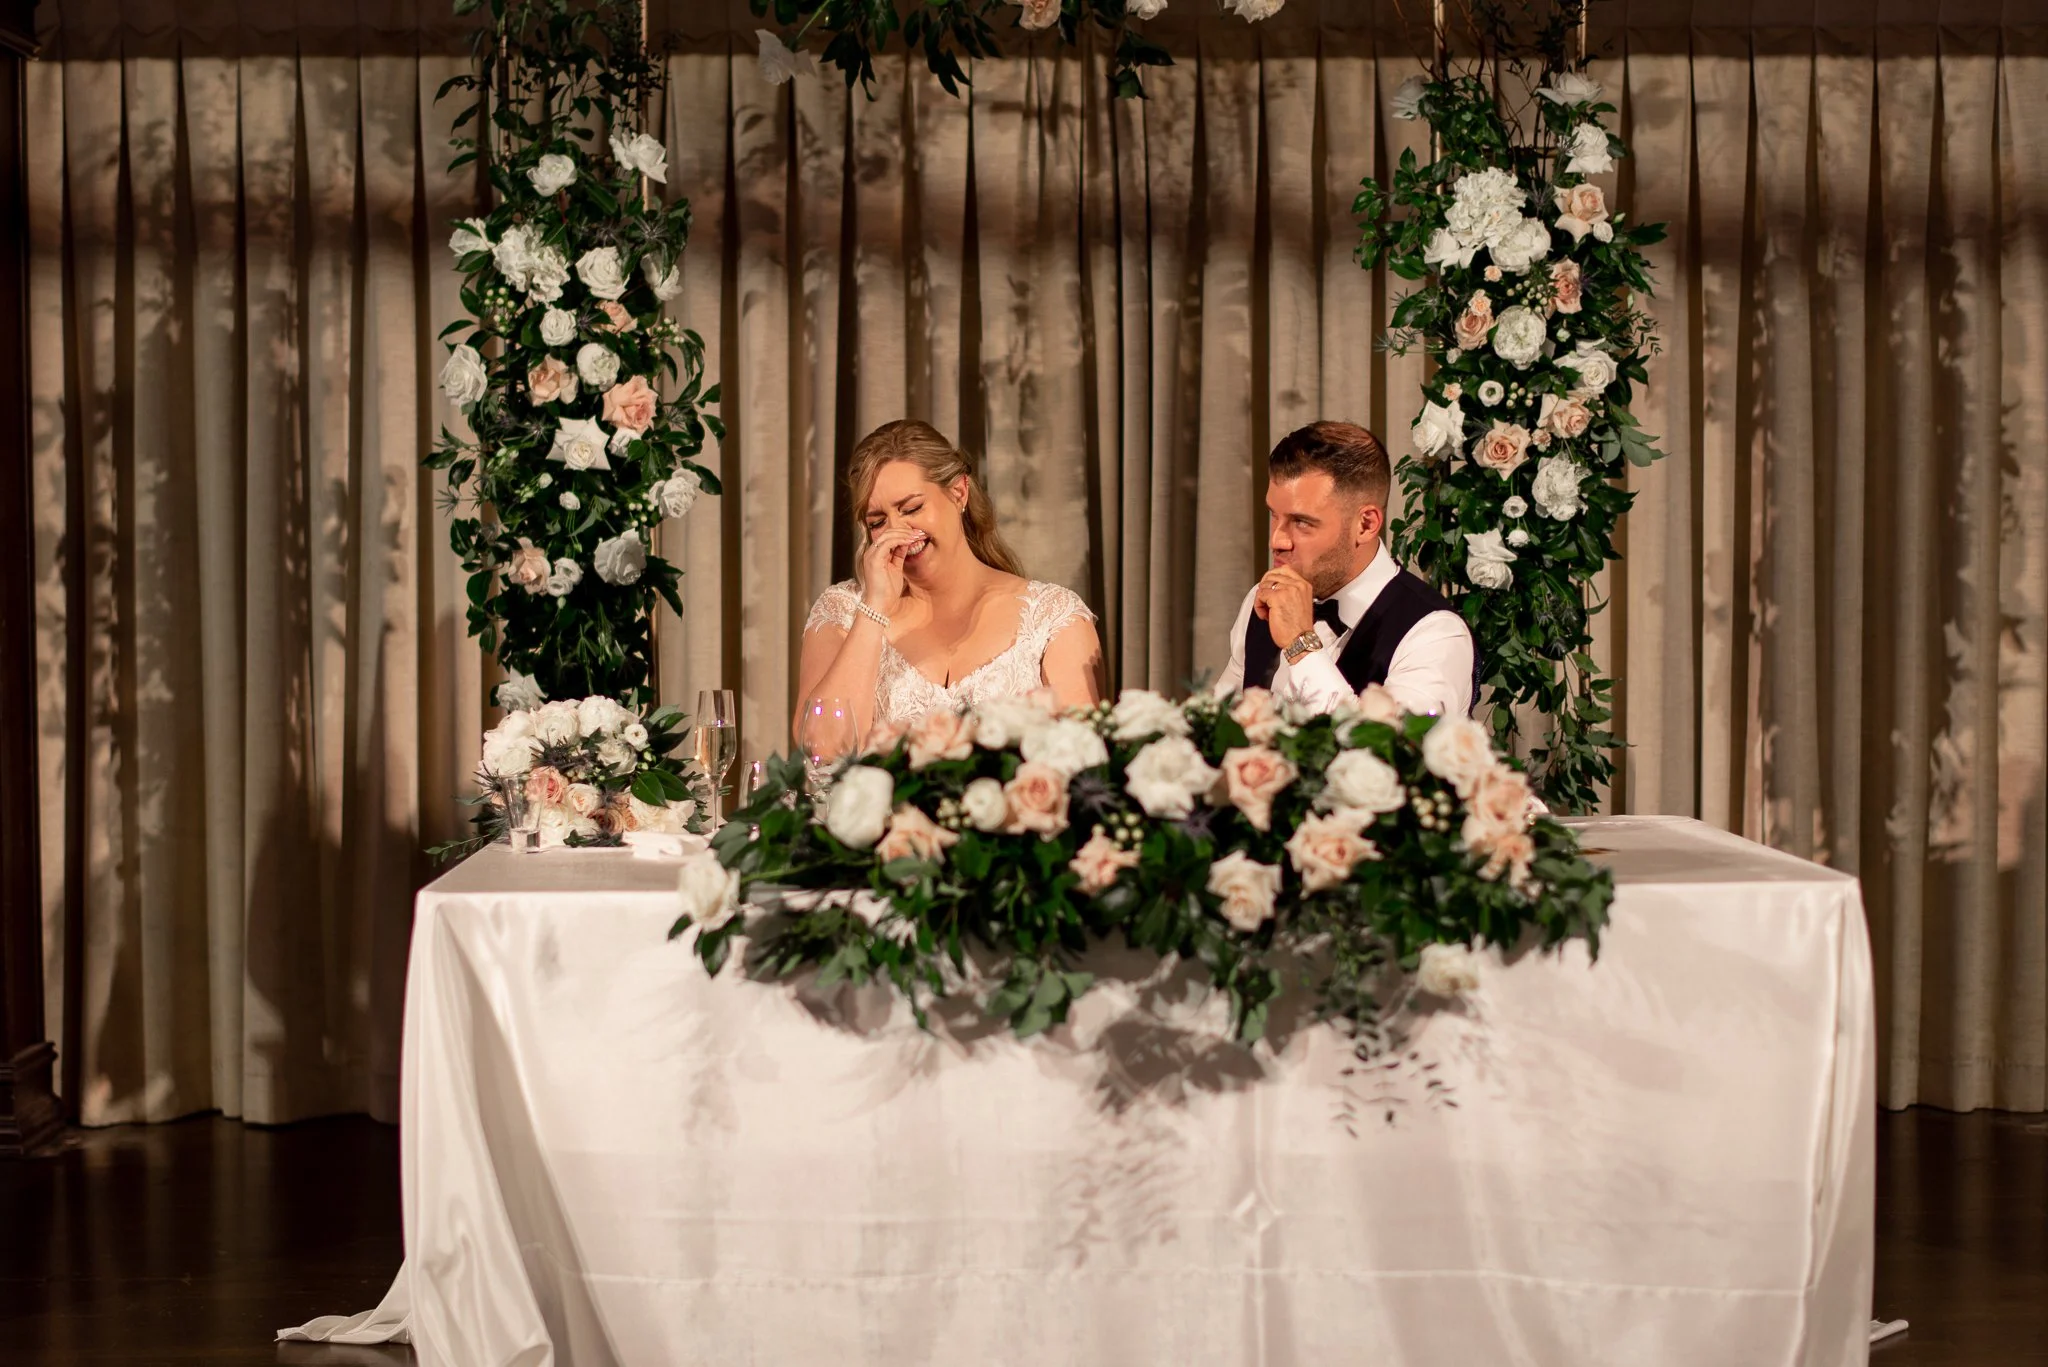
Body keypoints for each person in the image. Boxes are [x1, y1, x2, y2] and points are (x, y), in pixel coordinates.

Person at [795, 420, 1103, 742]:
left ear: (959, 492)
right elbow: (821, 748)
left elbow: (1083, 756)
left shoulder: (1053, 617)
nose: (897, 532)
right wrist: (874, 609)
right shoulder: (841, 612)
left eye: (912, 508)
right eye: (878, 522)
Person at [1213, 420, 1476, 716]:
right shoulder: (1262, 600)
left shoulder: (1435, 634)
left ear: (1365, 525)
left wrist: (1301, 645)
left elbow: (1385, 743)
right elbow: (1217, 727)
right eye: (1274, 515)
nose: (1277, 540)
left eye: (1302, 522)